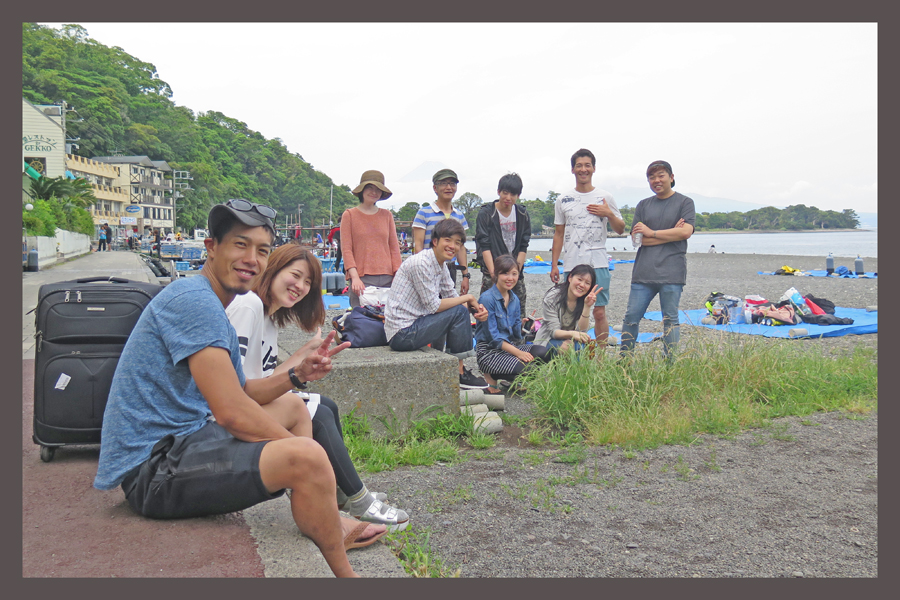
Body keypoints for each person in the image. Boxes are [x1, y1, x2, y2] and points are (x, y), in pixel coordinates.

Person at [93, 199, 385, 578]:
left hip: (185, 440)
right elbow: (231, 411)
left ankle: (316, 516)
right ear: (211, 247)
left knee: (296, 409)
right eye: (239, 244)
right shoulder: (195, 303)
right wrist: (303, 456)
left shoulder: (211, 302)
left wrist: (297, 375)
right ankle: (346, 573)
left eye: (262, 250)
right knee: (308, 458)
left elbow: (244, 390)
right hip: (153, 471)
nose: (251, 258)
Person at [226, 242, 409, 530]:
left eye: (308, 283)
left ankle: (340, 491)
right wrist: (298, 376)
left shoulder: (267, 318)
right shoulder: (248, 306)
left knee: (325, 404)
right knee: (316, 413)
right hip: (223, 415)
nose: (300, 286)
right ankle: (358, 500)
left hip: (244, 402)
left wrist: (304, 355)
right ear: (273, 269)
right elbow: (236, 389)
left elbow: (263, 380)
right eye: (295, 275)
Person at [385, 218, 490, 390]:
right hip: (402, 333)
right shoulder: (422, 263)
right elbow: (434, 306)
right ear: (435, 241)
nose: (452, 246)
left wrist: (477, 310)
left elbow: (451, 295)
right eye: (447, 240)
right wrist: (468, 298)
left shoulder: (440, 265)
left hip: (414, 325)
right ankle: (459, 373)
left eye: (457, 243)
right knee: (457, 311)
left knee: (458, 310)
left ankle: (454, 369)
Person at [620, 160, 696, 359]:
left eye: (661, 175)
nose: (656, 180)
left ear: (671, 178)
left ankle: (669, 364)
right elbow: (637, 241)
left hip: (672, 272)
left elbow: (686, 232)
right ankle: (624, 361)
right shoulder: (643, 205)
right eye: (651, 177)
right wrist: (671, 233)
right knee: (630, 318)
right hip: (643, 272)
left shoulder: (684, 203)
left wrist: (651, 233)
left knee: (670, 320)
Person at [550, 148, 625, 346]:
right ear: (573, 170)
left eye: (587, 165)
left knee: (599, 312)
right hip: (572, 264)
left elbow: (620, 229)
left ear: (593, 168)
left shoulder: (605, 197)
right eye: (579, 166)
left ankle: (599, 357)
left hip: (598, 263)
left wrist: (608, 213)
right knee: (570, 313)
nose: (583, 169)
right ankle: (571, 357)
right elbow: (559, 234)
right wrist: (554, 265)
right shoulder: (563, 199)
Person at [475, 255, 553, 392]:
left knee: (544, 352)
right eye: (505, 273)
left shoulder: (514, 299)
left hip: (508, 348)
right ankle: (490, 375)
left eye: (514, 274)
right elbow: (493, 339)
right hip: (489, 352)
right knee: (529, 369)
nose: (510, 278)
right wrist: (518, 353)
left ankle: (513, 379)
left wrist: (524, 326)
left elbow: (516, 336)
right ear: (496, 274)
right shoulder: (487, 299)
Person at [474, 173, 532, 322]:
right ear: (499, 191)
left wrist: (516, 271)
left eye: (513, 194)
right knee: (487, 312)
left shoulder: (522, 214)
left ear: (518, 195)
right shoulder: (486, 213)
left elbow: (523, 245)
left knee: (517, 312)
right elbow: (484, 245)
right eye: (505, 193)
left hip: (514, 269)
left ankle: (516, 342)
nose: (508, 197)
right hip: (492, 269)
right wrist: (494, 273)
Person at [340, 170, 402, 308]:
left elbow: (394, 248)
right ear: (362, 190)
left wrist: (398, 275)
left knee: (387, 322)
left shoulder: (387, 215)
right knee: (361, 322)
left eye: (378, 189)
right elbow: (347, 249)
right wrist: (354, 277)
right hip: (361, 278)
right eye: (370, 188)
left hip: (388, 277)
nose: (374, 192)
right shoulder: (349, 215)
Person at [412, 168, 472, 294]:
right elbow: (418, 245)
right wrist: (422, 270)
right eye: (444, 183)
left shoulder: (459, 215)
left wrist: (465, 275)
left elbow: (461, 248)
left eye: (452, 184)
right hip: (428, 268)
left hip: (450, 269)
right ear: (435, 188)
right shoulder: (424, 213)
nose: (449, 187)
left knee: (449, 304)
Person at [534, 263, 601, 352]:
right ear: (570, 278)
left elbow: (582, 331)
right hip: (547, 340)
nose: (582, 285)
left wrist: (587, 307)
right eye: (579, 279)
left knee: (581, 346)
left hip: (573, 339)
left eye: (587, 283)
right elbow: (554, 332)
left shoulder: (588, 299)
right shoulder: (552, 297)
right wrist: (572, 334)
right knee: (568, 347)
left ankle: (575, 366)